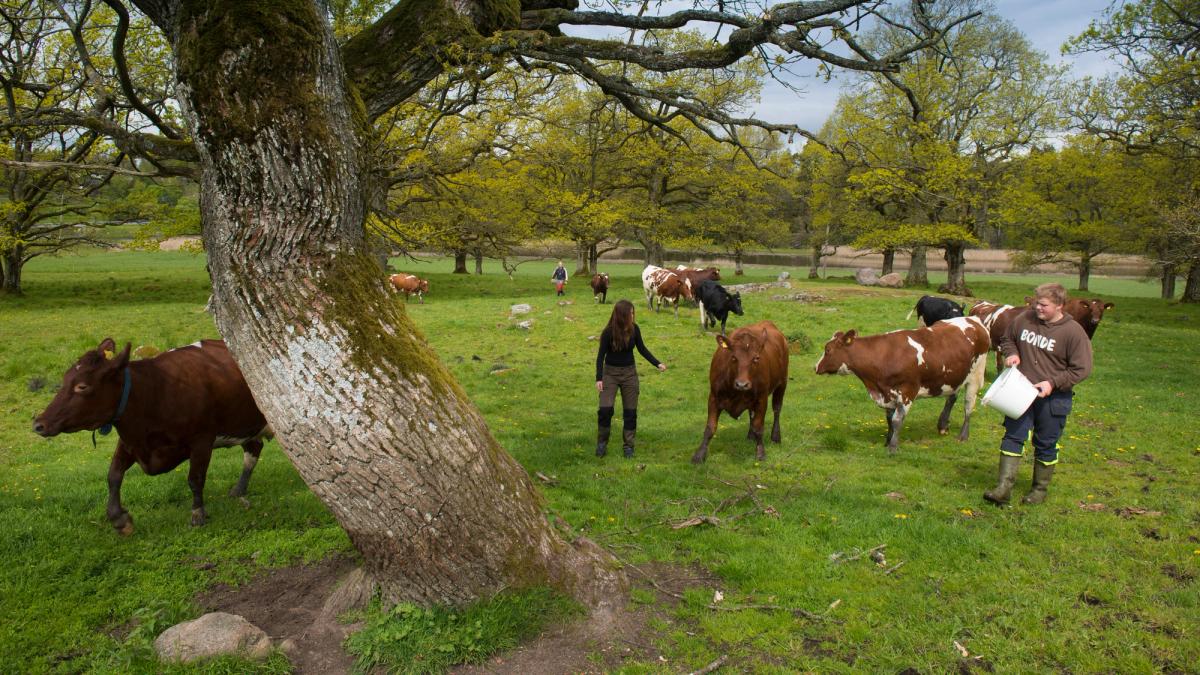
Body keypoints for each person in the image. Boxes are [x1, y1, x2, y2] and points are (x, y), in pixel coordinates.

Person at [984, 283, 1093, 506]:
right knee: (1013, 436)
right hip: (1019, 392)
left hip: (1052, 399)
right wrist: (1012, 354)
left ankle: (1039, 490)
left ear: (1060, 305)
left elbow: (1082, 368)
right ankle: (1003, 488)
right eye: (1036, 303)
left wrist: (1053, 383)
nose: (1037, 308)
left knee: (1045, 443)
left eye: (1043, 304)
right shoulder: (1025, 319)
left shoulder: (1073, 332)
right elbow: (1007, 338)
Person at [595, 300, 667, 458]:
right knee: (605, 410)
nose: (633, 315)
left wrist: (657, 363)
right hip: (610, 374)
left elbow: (642, 349)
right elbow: (600, 357)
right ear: (622, 316)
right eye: (631, 313)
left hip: (629, 374)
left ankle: (629, 446)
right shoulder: (608, 332)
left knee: (630, 412)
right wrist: (599, 378)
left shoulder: (635, 330)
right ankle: (602, 443)